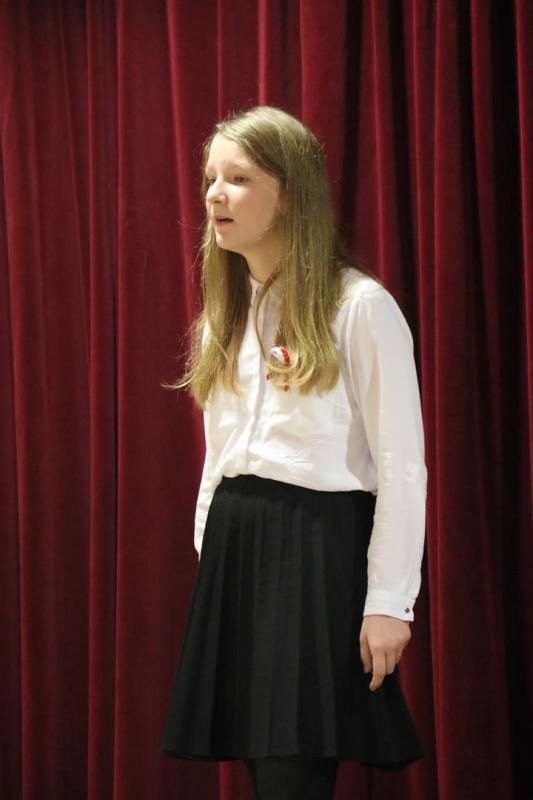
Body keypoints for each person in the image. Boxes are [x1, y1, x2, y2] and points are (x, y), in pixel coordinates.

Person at [160, 105, 427, 800]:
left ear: (289, 194)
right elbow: (221, 453)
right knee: (261, 766)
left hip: (314, 549)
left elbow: (402, 465)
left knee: (292, 771)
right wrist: (212, 549)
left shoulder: (358, 307)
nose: (214, 194)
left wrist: (388, 602)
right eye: (210, 177)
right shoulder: (226, 315)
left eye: (238, 178)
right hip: (238, 547)